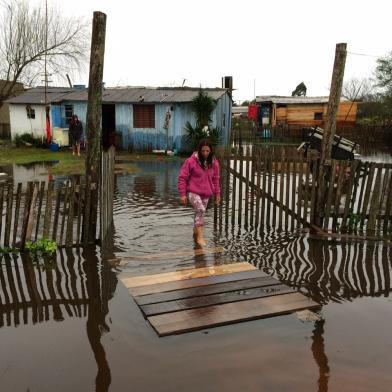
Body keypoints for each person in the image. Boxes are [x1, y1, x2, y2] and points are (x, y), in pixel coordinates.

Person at [178, 139, 221, 247]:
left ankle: (195, 231)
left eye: (207, 151)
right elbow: (182, 177)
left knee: (199, 213)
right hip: (193, 192)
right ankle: (200, 237)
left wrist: (217, 194)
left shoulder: (214, 163)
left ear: (211, 151)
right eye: (203, 151)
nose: (205, 153)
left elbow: (216, 179)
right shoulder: (191, 161)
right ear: (199, 150)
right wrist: (183, 194)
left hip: (206, 193)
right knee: (201, 210)